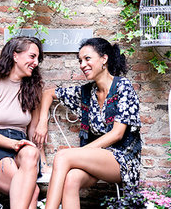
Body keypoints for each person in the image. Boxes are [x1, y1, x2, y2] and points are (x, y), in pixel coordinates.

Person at [33, 38, 142, 209]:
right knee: (71, 180)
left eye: (87, 59)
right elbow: (48, 94)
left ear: (104, 59)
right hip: (95, 157)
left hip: (123, 159)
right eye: (80, 60)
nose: (82, 64)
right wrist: (42, 123)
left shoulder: (123, 87)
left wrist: (80, 153)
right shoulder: (86, 92)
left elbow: (117, 134)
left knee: (63, 156)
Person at [0, 36, 44, 209]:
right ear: (15, 56)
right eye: (32, 56)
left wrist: (43, 161)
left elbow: (33, 133)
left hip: (22, 148)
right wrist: (15, 144)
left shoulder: (33, 90)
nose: (35, 62)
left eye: (37, 59)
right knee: (33, 192)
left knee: (30, 153)